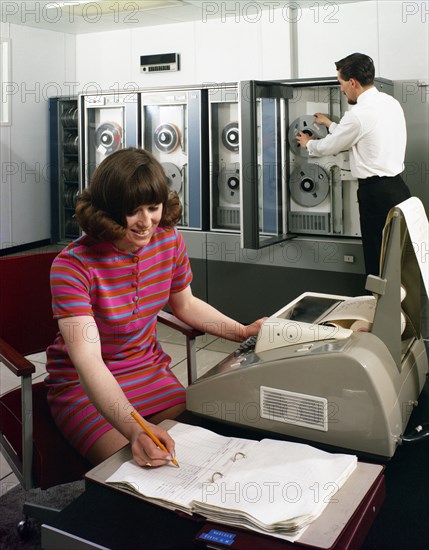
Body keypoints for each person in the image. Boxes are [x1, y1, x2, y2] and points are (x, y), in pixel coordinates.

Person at [45, 147, 265, 469]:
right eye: (133, 210)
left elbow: (185, 304)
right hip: (84, 386)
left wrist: (242, 331)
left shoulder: (168, 240)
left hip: (149, 371)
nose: (146, 222)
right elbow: (89, 362)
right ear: (107, 210)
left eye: (153, 207)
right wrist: (136, 430)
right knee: (131, 469)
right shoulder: (71, 266)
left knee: (203, 450)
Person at [296, 52, 411, 277]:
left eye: (340, 83)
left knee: (377, 257)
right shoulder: (390, 102)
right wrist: (329, 124)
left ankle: (378, 308)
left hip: (375, 194)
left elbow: (331, 146)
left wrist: (309, 144)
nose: (340, 89)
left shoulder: (358, 114)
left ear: (352, 82)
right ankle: (400, 310)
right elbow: (359, 133)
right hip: (399, 190)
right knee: (397, 258)